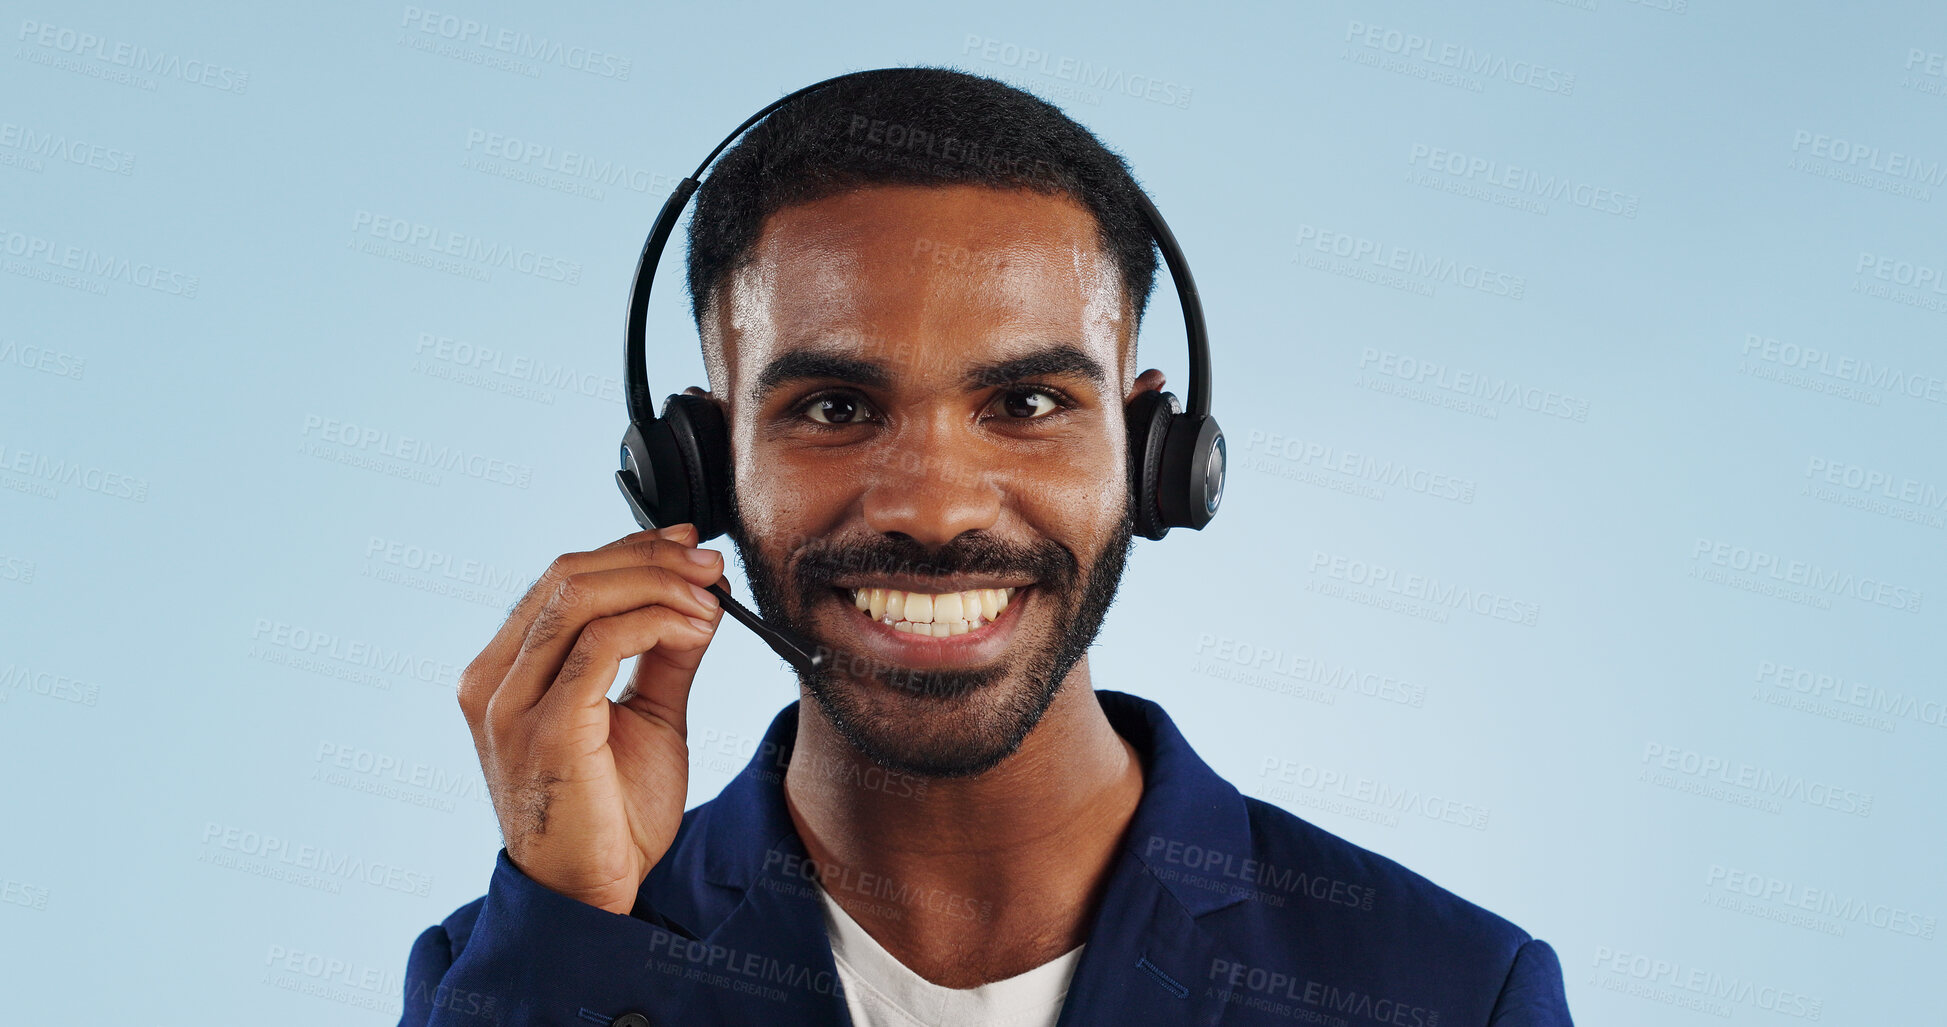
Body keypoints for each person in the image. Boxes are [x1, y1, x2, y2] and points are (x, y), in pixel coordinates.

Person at [397, 67, 1574, 1026]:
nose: (936, 509)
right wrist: (573, 930)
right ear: (698, 465)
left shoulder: (1449, 993)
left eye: (1025, 405)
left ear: (1153, 449)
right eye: (833, 409)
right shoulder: (530, 965)